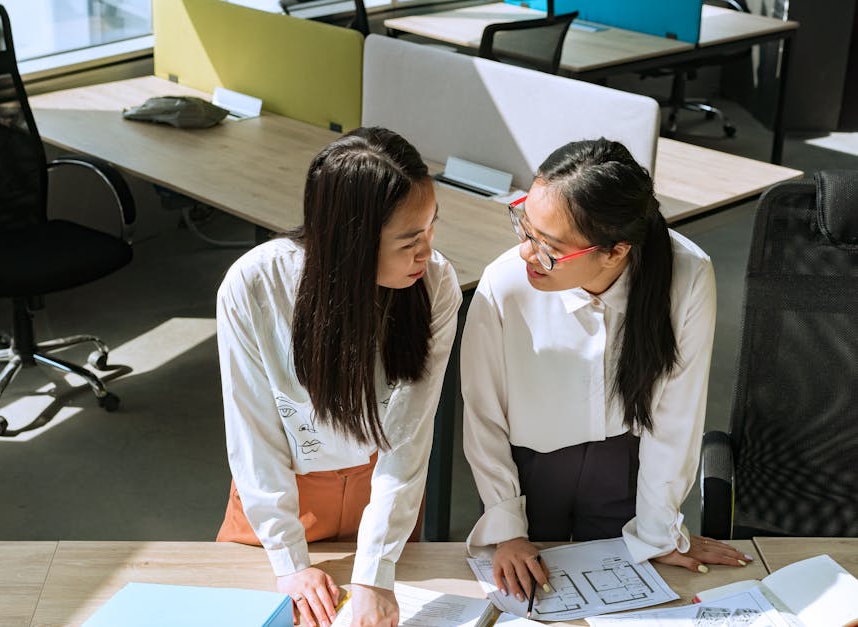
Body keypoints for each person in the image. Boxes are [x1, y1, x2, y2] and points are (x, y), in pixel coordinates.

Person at [462, 138, 752, 603]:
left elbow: (675, 417)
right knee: (532, 604)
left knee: (626, 605)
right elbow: (483, 417)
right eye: (524, 225)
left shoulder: (688, 275)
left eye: (550, 246)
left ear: (616, 251)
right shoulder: (505, 284)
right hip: (527, 473)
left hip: (627, 469)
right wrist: (506, 528)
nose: (526, 253)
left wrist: (659, 531)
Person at [215, 127, 461, 627]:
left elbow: (409, 441)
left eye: (431, 229)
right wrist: (288, 561)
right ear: (351, 241)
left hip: (383, 496)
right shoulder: (256, 284)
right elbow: (253, 433)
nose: (427, 252)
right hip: (281, 496)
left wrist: (374, 574)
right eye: (409, 241)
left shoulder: (435, 284)